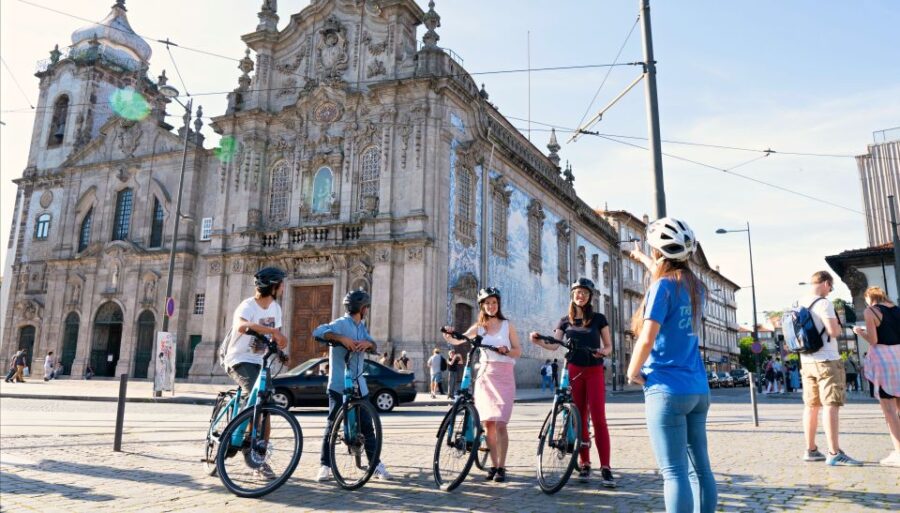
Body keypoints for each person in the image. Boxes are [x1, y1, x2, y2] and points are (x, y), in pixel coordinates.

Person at [625, 217, 717, 513]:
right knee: (701, 469)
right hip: (698, 389)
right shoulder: (697, 288)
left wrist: (632, 370)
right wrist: (640, 257)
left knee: (675, 472)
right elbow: (665, 271)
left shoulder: (661, 287)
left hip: (666, 388)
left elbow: (648, 337)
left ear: (658, 252)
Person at [531, 277, 616, 488]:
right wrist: (538, 340)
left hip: (594, 370)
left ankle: (605, 467)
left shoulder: (599, 319)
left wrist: (602, 352)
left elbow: (608, 347)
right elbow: (554, 345)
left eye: (585, 293)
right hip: (574, 370)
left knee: (598, 418)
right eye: (578, 292)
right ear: (573, 294)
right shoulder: (564, 321)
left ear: (590, 297)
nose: (581, 295)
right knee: (579, 418)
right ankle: (584, 463)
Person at [443, 287, 521, 482]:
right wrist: (448, 334)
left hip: (504, 376)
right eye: (487, 303)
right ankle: (494, 466)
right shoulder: (479, 327)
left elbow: (518, 350)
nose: (491, 306)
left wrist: (506, 350)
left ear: (498, 304)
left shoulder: (507, 325)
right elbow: (458, 339)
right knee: (489, 425)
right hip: (486, 376)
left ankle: (502, 466)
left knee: (501, 423)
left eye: (494, 303)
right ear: (482, 306)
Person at [313, 290, 393, 482]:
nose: (367, 310)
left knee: (368, 427)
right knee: (332, 425)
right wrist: (341, 339)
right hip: (339, 384)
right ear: (363, 308)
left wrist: (368, 344)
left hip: (359, 384)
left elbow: (374, 345)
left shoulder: (361, 326)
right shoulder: (340, 324)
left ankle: (375, 465)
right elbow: (317, 332)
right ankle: (325, 466)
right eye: (366, 308)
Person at [222, 266, 290, 480]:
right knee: (255, 395)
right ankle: (236, 438)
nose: (283, 287)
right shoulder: (248, 305)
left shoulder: (276, 309)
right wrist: (272, 332)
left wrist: (279, 351)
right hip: (238, 358)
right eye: (281, 283)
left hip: (259, 362)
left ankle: (258, 457)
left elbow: (273, 338)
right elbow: (242, 326)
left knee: (266, 405)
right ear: (273, 286)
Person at [797, 271, 861, 466]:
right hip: (826, 360)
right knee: (831, 404)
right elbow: (833, 331)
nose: (830, 291)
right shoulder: (824, 303)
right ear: (826, 283)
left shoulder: (800, 302)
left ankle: (811, 449)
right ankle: (834, 452)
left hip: (806, 361)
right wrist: (840, 328)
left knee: (811, 406)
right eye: (831, 287)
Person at [852, 286, 900, 467]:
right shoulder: (897, 309)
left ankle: (898, 452)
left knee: (888, 409)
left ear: (869, 298)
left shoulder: (871, 311)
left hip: (884, 360)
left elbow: (873, 340)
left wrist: (859, 332)